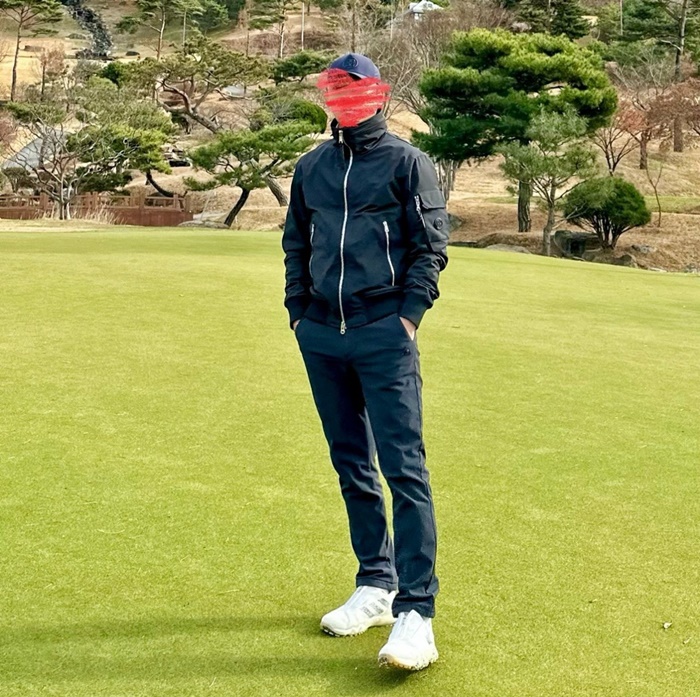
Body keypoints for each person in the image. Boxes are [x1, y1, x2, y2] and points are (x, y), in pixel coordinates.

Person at [282, 52, 449, 671]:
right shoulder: (312, 167)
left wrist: (408, 316)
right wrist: (298, 311)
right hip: (322, 334)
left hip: (384, 332)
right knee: (351, 464)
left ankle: (416, 613)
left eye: (353, 88)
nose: (343, 97)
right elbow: (296, 242)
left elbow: (431, 247)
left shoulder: (408, 162)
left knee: (404, 469)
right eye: (334, 88)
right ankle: (375, 584)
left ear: (377, 94)